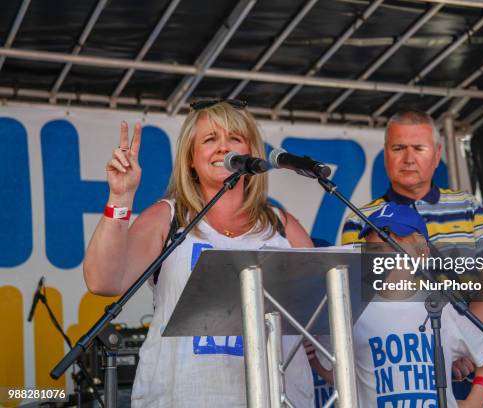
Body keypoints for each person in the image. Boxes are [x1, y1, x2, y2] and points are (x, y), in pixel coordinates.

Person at [83, 99, 314, 407]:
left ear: (252, 153)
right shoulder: (167, 217)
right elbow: (103, 281)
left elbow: (322, 323)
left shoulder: (283, 227)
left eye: (234, 138)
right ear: (191, 159)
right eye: (209, 139)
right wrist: (120, 196)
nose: (223, 147)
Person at [341, 109, 483, 381]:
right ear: (386, 154)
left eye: (418, 148)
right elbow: (361, 300)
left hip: (473, 363)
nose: (408, 158)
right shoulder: (360, 220)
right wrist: (436, 349)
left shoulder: (467, 206)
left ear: (437, 153)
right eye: (398, 148)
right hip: (402, 363)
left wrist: (459, 342)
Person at [309, 202, 483, 407]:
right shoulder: (354, 309)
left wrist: (475, 402)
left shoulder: (440, 307)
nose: (384, 257)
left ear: (422, 255)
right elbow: (348, 376)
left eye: (394, 248)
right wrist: (314, 361)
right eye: (375, 250)